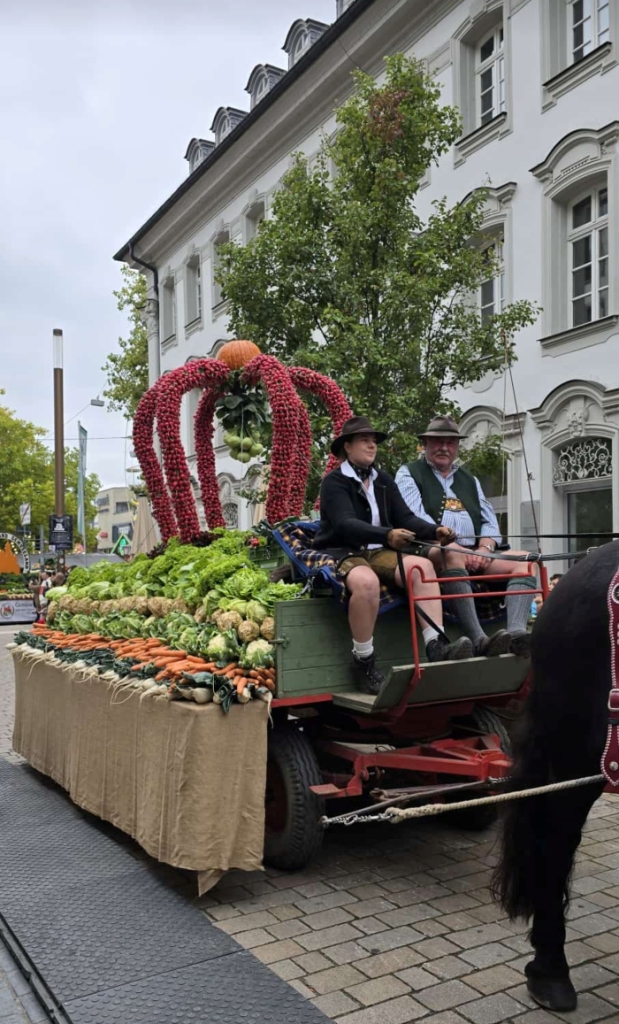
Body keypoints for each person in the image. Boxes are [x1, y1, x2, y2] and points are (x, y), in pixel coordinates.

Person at [313, 416, 473, 694]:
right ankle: (363, 661)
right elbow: (345, 524)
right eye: (364, 440)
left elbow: (406, 518)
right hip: (344, 550)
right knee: (366, 583)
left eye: (374, 441)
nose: (372, 445)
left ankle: (436, 645)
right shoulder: (334, 482)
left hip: (380, 551)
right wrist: (387, 535)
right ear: (347, 447)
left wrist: (435, 531)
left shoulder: (383, 480)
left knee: (421, 568)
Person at [395, 416, 537, 658]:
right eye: (438, 442)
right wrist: (457, 548)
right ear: (426, 444)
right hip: (429, 548)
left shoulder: (470, 479)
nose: (444, 447)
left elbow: (489, 522)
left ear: (457, 446)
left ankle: (516, 634)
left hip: (473, 552)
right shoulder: (409, 473)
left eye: (450, 442)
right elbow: (415, 519)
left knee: (526, 561)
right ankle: (478, 639)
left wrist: (485, 548)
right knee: (452, 554)